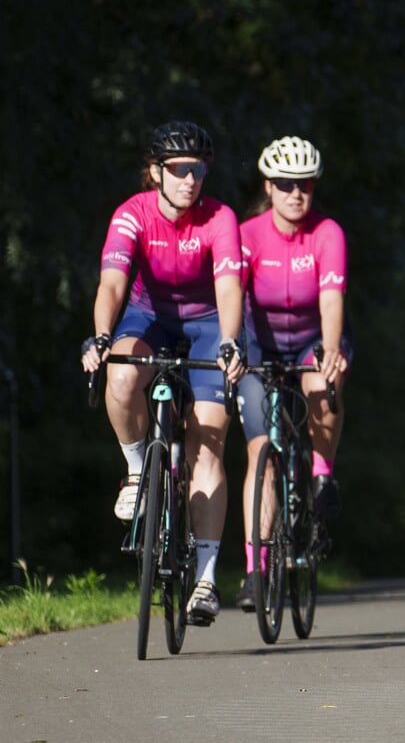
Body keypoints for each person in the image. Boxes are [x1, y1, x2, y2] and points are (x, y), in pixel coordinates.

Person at [79, 121, 246, 625]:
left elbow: (230, 288)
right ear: (156, 172)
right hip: (147, 315)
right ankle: (136, 468)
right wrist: (102, 335)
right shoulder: (133, 214)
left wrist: (231, 341)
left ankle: (207, 579)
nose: (189, 180)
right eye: (177, 170)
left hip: (205, 322)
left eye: (197, 170)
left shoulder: (220, 219)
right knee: (123, 373)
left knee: (209, 437)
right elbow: (112, 282)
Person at [233, 136, 350, 614]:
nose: (295, 193)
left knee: (322, 388)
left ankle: (321, 472)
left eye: (304, 185)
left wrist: (329, 349)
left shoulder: (327, 234)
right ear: (269, 186)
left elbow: (331, 299)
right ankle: (255, 569)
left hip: (310, 339)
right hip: (258, 344)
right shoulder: (246, 234)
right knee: (260, 450)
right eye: (285, 185)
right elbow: (232, 298)